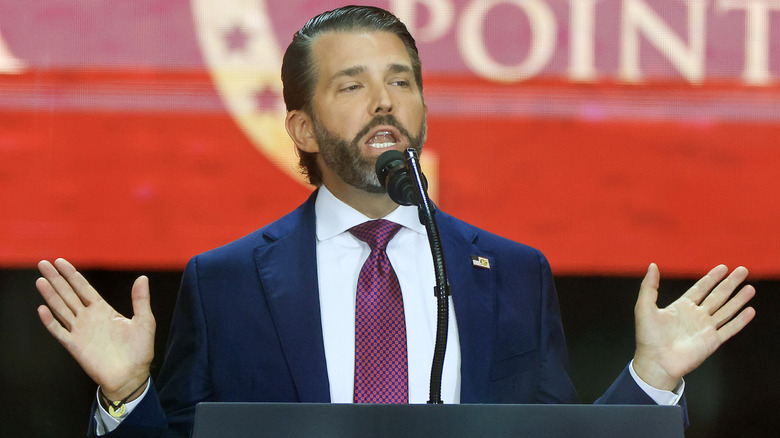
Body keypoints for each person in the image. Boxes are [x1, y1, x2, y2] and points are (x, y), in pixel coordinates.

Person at [34, 5, 756, 438]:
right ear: (303, 128)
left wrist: (651, 379)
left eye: (401, 82)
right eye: (352, 85)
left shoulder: (511, 273)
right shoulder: (224, 283)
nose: (385, 101)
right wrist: (128, 396)